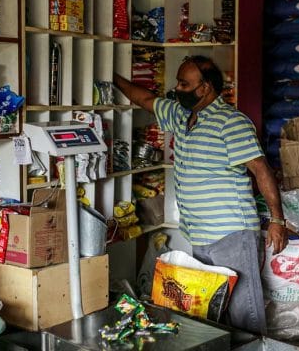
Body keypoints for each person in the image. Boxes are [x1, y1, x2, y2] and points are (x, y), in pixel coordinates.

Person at [114, 55, 288, 335]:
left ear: (205, 88)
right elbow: (146, 99)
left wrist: (278, 220)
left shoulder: (231, 122)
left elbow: (261, 169)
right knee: (212, 313)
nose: (177, 89)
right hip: (200, 236)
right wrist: (115, 79)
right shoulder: (181, 115)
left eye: (184, 84)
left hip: (232, 234)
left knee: (245, 315)